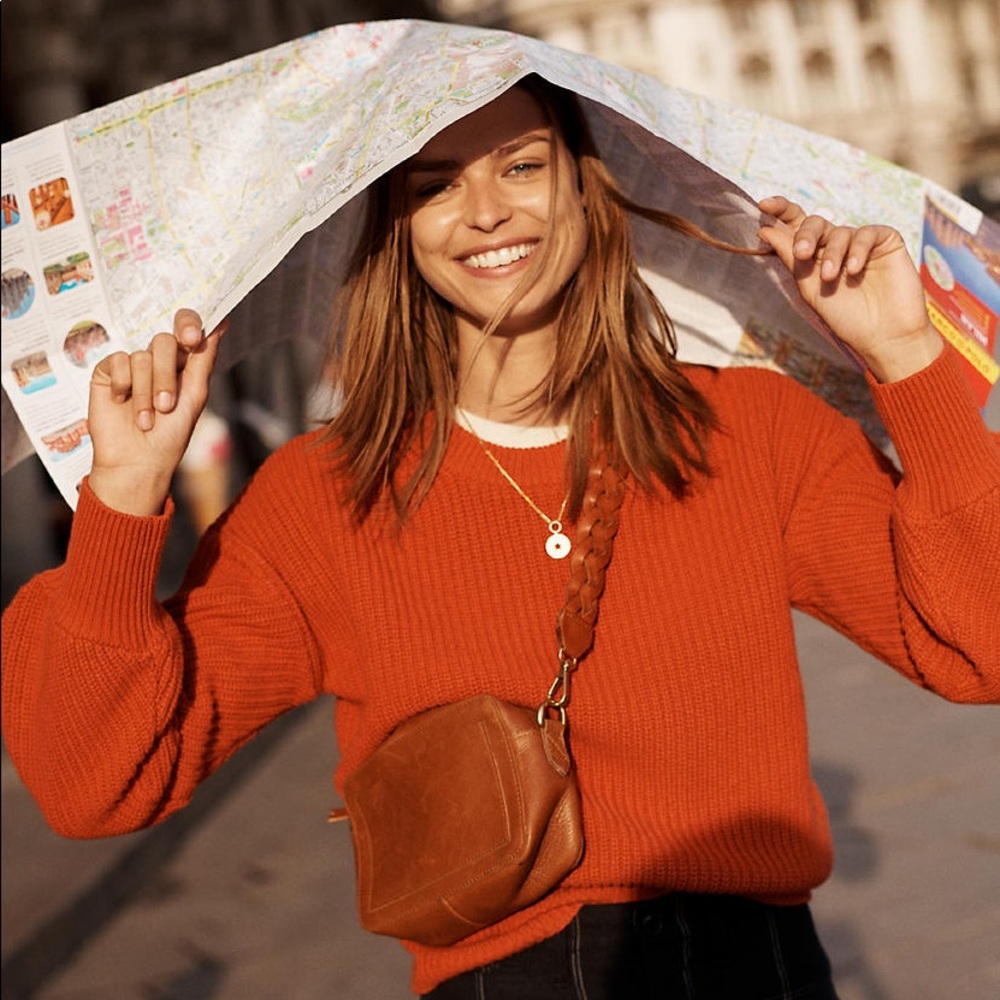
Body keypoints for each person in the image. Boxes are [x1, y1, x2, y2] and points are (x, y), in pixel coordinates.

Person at [2, 76, 998, 1000]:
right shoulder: (322, 498)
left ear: (584, 185)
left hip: (750, 965)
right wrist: (120, 502)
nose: (486, 211)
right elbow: (100, 783)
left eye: (521, 166)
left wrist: (910, 363)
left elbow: (977, 646)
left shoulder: (751, 431)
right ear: (394, 226)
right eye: (436, 185)